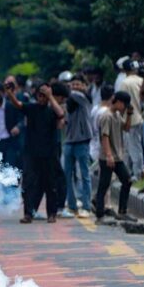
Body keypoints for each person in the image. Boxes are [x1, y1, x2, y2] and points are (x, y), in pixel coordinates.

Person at [7, 82, 66, 223]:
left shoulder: (53, 110)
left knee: (50, 184)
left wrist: (50, 96)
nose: (42, 99)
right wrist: (10, 94)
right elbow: (18, 105)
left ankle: (52, 213)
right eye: (40, 96)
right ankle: (28, 213)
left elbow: (61, 114)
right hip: (31, 152)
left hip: (49, 152)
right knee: (28, 184)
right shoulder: (31, 108)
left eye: (44, 96)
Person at [94, 91, 134, 221]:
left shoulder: (117, 115)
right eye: (124, 104)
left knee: (127, 181)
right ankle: (100, 213)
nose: (124, 107)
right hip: (108, 157)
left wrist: (129, 115)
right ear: (118, 102)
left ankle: (122, 211)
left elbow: (126, 128)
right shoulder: (107, 116)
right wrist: (109, 155)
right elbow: (104, 137)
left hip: (117, 157)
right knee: (104, 185)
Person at [61, 74, 93, 218]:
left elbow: (74, 94)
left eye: (78, 84)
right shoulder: (68, 102)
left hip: (82, 141)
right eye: (72, 84)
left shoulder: (83, 99)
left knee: (84, 175)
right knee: (67, 175)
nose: (74, 87)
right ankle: (72, 205)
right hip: (68, 141)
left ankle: (86, 206)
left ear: (84, 86)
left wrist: (64, 88)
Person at [0, 82, 24, 170]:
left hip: (10, 141)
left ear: (3, 93)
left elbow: (21, 119)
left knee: (10, 167)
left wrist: (17, 127)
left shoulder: (11, 106)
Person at [118, 59, 144, 180]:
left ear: (124, 70)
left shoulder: (124, 83)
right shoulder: (141, 80)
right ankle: (141, 170)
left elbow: (122, 102)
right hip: (143, 117)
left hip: (131, 119)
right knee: (141, 147)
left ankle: (138, 173)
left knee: (134, 148)